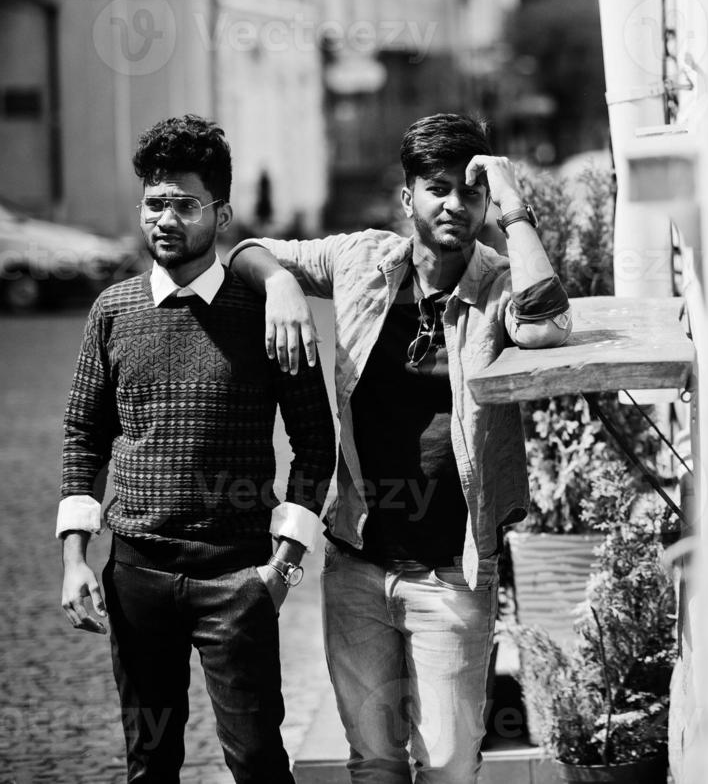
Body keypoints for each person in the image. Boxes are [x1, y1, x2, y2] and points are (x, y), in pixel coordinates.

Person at [226, 113, 572, 782]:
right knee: (374, 762)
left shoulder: (497, 282)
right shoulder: (361, 259)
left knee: (447, 767)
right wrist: (280, 284)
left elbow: (548, 326)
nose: (454, 205)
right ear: (406, 194)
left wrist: (517, 212)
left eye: (469, 192)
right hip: (357, 563)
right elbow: (245, 251)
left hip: (452, 571)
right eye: (437, 188)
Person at [57, 115, 336, 782]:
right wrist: (75, 558)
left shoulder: (265, 311)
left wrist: (283, 571)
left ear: (222, 212)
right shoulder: (114, 311)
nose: (167, 219)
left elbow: (315, 446)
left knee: (259, 763)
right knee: (149, 762)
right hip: (136, 577)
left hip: (236, 578)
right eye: (155, 202)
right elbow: (83, 434)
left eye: (185, 204)